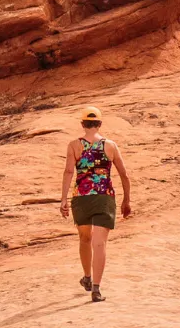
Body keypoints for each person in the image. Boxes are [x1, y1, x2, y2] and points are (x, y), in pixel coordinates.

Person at [59, 106, 131, 303]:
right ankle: (96, 289)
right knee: (99, 243)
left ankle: (87, 278)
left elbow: (68, 172)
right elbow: (124, 174)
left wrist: (64, 199)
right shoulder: (111, 145)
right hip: (104, 197)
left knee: (85, 239)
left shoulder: (74, 145)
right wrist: (126, 200)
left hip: (81, 197)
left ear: (83, 124)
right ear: (99, 124)